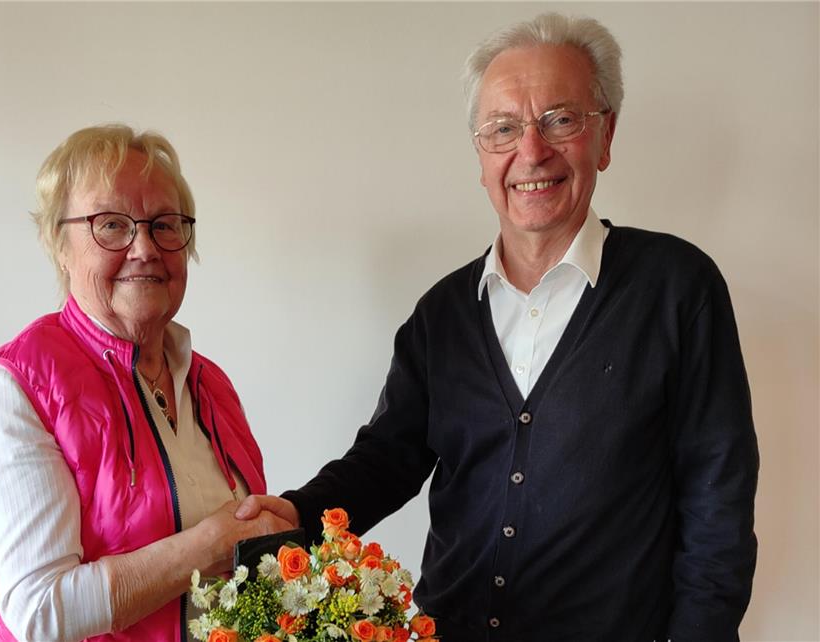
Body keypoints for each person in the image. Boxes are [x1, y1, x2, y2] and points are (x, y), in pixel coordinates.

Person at [237, 13, 759, 641]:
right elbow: (388, 457)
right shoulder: (442, 316)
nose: (530, 151)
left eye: (560, 120)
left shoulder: (678, 289)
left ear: (606, 136)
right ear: (481, 155)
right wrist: (297, 512)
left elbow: (718, 506)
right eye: (503, 129)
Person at [0, 124, 292, 642]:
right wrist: (206, 549)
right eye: (111, 225)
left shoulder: (212, 386)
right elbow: (41, 612)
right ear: (59, 245)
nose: (144, 248)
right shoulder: (12, 388)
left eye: (164, 224)